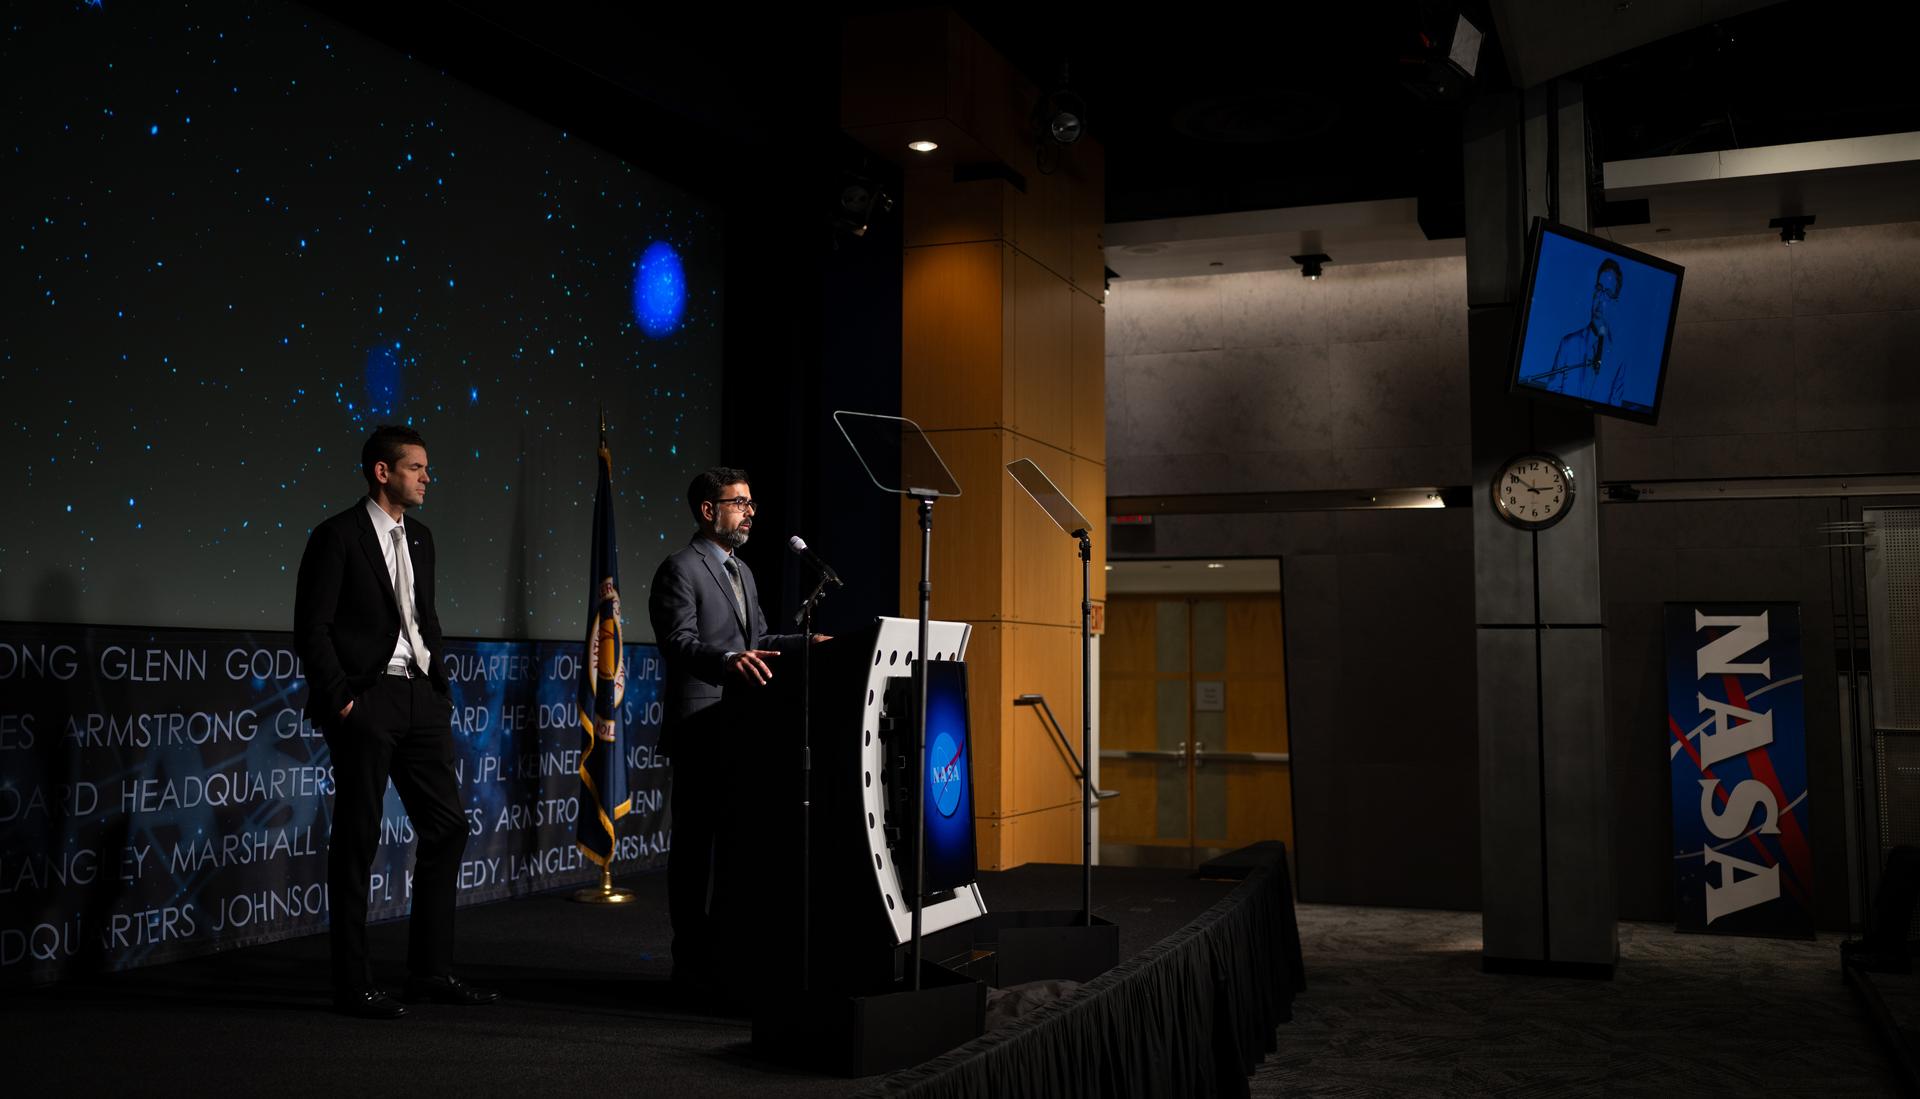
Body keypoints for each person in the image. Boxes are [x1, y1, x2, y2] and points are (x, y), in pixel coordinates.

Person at [293, 425, 498, 1018]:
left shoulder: (423, 538)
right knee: (357, 840)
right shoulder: (336, 537)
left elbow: (420, 616)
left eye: (426, 468)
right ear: (382, 473)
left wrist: (440, 685)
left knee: (448, 827)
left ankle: (430, 973)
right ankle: (351, 984)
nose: (427, 477)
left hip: (420, 698)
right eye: (416, 467)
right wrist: (344, 703)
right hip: (366, 701)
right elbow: (313, 629)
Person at [648, 467, 809, 996]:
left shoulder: (744, 572)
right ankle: (688, 959)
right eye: (738, 502)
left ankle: (726, 955)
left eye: (751, 501)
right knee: (694, 848)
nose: (749, 510)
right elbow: (679, 642)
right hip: (700, 725)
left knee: (738, 845)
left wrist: (808, 643)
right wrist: (728, 661)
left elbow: (759, 638)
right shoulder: (680, 569)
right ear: (707, 510)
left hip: (744, 728)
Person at [1540, 257, 1628, 405]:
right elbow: (1551, 394)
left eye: (1607, 293)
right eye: (1599, 289)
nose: (1600, 298)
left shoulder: (1618, 360)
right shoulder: (1568, 344)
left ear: (1615, 303)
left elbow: (1614, 409)